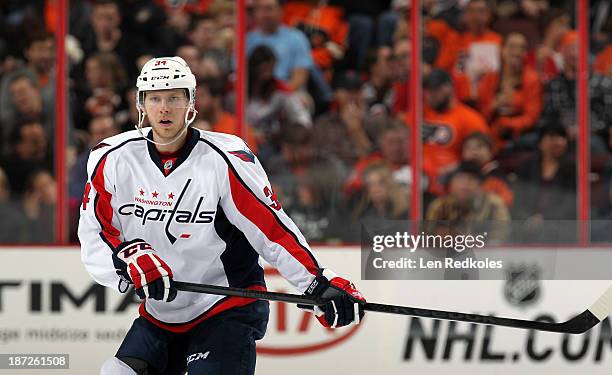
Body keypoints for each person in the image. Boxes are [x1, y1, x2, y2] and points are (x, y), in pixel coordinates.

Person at [78, 56, 365, 375]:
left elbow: (271, 231)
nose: (164, 108)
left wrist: (317, 283)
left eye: (174, 97)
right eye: (155, 98)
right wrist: (126, 260)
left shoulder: (225, 159)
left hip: (227, 307)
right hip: (162, 315)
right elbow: (95, 236)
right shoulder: (113, 158)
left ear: (191, 103)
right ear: (141, 104)